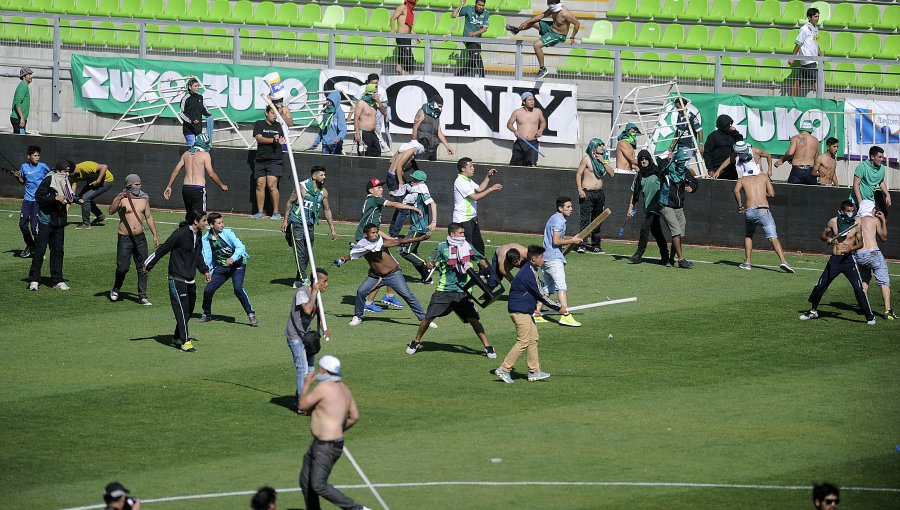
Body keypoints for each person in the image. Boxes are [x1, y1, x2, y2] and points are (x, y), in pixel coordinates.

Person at [405, 223, 498, 358]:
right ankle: (415, 342)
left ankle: (488, 347)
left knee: (474, 320)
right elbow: (431, 260)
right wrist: (429, 263)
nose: (463, 235)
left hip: (463, 291)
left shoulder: (467, 246)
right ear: (452, 234)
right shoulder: (442, 247)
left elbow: (480, 259)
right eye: (461, 233)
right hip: (444, 290)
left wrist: (489, 272)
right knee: (428, 318)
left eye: (463, 233)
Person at [298, 355, 372, 510]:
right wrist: (339, 429)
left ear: (324, 370)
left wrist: (306, 385)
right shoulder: (345, 389)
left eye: (319, 368)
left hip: (326, 446)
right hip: (324, 444)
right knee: (305, 481)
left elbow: (303, 405)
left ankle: (356, 509)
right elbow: (355, 416)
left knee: (317, 485)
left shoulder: (324, 388)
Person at [336, 223, 434, 327]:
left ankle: (424, 319)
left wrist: (421, 238)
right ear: (366, 234)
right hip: (375, 276)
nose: (375, 234)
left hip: (393, 274)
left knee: (407, 295)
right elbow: (354, 254)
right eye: (372, 233)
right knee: (361, 291)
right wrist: (343, 259)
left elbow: (400, 241)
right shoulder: (362, 244)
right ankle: (358, 316)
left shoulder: (382, 243)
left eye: (376, 232)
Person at [142, 210, 212, 353]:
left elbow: (197, 254)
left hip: (190, 278)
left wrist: (205, 270)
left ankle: (176, 337)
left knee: (190, 309)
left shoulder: (198, 234)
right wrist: (148, 265)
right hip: (176, 277)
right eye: (204, 221)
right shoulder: (180, 234)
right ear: (195, 221)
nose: (206, 223)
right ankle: (186, 342)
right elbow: (163, 249)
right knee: (181, 310)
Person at [799, 200, 875, 325]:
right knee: (820, 285)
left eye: (852, 211)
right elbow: (823, 234)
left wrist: (852, 248)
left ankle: (869, 316)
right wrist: (828, 239)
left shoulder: (856, 224)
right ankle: (813, 311)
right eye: (848, 211)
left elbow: (861, 243)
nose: (850, 213)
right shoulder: (833, 221)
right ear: (841, 211)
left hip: (849, 260)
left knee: (858, 288)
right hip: (835, 260)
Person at [494, 245, 561, 384]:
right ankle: (504, 369)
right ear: (533, 258)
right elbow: (541, 294)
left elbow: (530, 293)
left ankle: (534, 371)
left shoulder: (530, 270)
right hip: (520, 312)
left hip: (525, 310)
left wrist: (533, 308)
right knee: (523, 341)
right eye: (541, 257)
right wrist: (558, 307)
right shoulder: (528, 273)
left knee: (533, 339)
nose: (543, 259)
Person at [353, 178, 421, 312]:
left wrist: (390, 239)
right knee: (385, 271)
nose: (381, 189)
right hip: (367, 241)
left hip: (369, 239)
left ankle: (386, 297)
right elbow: (394, 204)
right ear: (371, 190)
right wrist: (412, 207)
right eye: (378, 187)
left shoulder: (371, 203)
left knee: (386, 269)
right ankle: (370, 302)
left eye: (381, 187)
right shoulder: (374, 199)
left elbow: (376, 230)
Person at [732, 142, 795, 273]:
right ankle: (783, 261)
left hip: (749, 211)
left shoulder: (743, 179)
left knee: (749, 234)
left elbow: (736, 191)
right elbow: (772, 194)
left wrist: (740, 206)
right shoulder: (763, 177)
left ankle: (748, 262)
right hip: (763, 211)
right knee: (773, 237)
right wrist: (762, 194)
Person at [27, 159, 80, 291]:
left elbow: (68, 196)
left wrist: (78, 199)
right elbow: (39, 197)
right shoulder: (48, 180)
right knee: (40, 250)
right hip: (46, 221)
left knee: (58, 251)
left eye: (68, 172)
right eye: (64, 171)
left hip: (60, 222)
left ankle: (57, 280)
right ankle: (34, 279)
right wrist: (54, 198)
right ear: (57, 170)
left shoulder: (65, 181)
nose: (66, 174)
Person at [282, 166, 338, 288]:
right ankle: (305, 278)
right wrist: (285, 220)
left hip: (310, 225)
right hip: (297, 223)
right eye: (322, 175)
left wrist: (332, 229)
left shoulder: (323, 192)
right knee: (300, 252)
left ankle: (298, 279)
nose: (324, 177)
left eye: (324, 175)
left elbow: (327, 210)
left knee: (308, 254)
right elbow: (290, 202)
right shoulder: (302, 187)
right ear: (314, 176)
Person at [199, 213, 257, 326]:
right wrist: (209, 273)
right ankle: (207, 314)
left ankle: (251, 313)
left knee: (238, 289)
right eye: (219, 223)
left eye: (222, 222)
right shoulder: (206, 239)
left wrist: (233, 258)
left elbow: (241, 247)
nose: (222, 225)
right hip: (222, 268)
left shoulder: (228, 233)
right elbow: (207, 258)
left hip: (237, 265)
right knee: (208, 290)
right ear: (211, 225)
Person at [109, 173, 159, 306]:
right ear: (129, 185)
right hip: (125, 238)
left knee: (143, 267)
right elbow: (111, 211)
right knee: (122, 268)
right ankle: (116, 288)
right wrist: (119, 198)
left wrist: (155, 235)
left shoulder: (144, 198)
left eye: (139, 184)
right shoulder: (122, 197)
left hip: (140, 238)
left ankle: (142, 295)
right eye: (136, 184)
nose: (139, 186)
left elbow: (149, 217)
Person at [533, 196, 582, 326]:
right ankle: (565, 315)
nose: (571, 209)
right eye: (568, 207)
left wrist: (569, 241)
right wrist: (572, 241)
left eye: (571, 206)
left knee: (548, 288)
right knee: (561, 286)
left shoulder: (553, 218)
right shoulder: (559, 221)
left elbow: (554, 240)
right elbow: (555, 241)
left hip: (546, 258)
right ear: (560, 208)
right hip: (554, 259)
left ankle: (536, 312)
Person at [286, 268, 329, 413]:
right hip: (296, 337)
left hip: (308, 338)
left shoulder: (316, 295)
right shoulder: (302, 293)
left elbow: (319, 314)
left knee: (310, 372)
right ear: (316, 282)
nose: (327, 284)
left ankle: (299, 399)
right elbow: (308, 310)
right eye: (325, 281)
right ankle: (301, 405)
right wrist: (314, 292)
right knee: (303, 371)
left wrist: (324, 328)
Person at [163, 134, 229, 222]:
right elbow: (211, 174)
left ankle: (188, 235)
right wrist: (221, 185)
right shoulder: (205, 155)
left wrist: (169, 186)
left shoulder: (186, 154)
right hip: (198, 189)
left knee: (190, 217)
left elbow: (176, 170)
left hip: (186, 188)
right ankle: (197, 236)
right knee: (201, 219)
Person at [507, 0, 580, 79]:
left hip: (558, 35)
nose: (547, 4)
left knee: (537, 45)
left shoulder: (565, 14)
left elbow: (577, 23)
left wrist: (572, 36)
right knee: (533, 21)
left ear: (554, 4)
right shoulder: (553, 9)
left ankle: (543, 69)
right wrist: (528, 21)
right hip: (551, 28)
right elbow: (541, 16)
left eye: (549, 3)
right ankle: (517, 29)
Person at [854, 200, 895, 319]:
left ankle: (863, 307)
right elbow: (884, 237)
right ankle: (888, 310)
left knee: (864, 279)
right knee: (884, 282)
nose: (875, 210)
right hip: (873, 253)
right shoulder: (874, 220)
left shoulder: (854, 220)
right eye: (873, 208)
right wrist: (883, 221)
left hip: (859, 255)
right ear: (869, 208)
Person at [395, 170, 438, 283]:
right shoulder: (416, 190)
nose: (412, 181)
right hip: (415, 226)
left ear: (421, 182)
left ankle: (428, 266)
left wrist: (433, 221)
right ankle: (426, 278)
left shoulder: (422, 191)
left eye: (415, 179)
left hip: (419, 227)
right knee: (412, 252)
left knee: (404, 250)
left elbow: (433, 204)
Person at [627, 150, 669, 265]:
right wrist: (631, 207)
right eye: (641, 159)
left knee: (645, 228)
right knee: (657, 232)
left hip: (657, 207)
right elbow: (635, 192)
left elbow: (667, 186)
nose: (643, 161)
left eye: (645, 159)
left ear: (649, 159)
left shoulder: (657, 171)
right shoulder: (639, 175)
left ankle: (638, 254)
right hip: (648, 207)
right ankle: (665, 256)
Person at [453, 157, 502, 255]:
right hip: (463, 220)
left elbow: (479, 188)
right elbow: (475, 197)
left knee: (479, 247)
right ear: (463, 169)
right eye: (470, 166)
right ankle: (464, 269)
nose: (473, 168)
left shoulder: (467, 180)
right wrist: (491, 189)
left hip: (472, 219)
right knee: (466, 249)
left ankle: (483, 269)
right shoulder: (460, 181)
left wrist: (488, 177)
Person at [659, 148, 698, 268]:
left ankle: (670, 259)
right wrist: (667, 160)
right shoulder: (667, 169)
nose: (686, 162)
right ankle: (681, 259)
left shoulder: (685, 172)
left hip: (679, 207)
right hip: (666, 205)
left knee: (679, 234)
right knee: (676, 232)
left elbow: (694, 182)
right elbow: (660, 170)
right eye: (684, 160)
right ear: (679, 160)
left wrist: (692, 187)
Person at [575, 138, 614, 253]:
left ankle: (596, 244)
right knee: (585, 219)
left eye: (602, 145)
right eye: (599, 145)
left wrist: (603, 161)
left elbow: (611, 173)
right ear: (594, 147)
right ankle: (581, 244)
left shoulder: (604, 160)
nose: (602, 147)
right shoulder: (586, 159)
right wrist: (579, 189)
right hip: (587, 193)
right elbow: (578, 174)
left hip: (599, 193)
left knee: (597, 219)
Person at [385, 137, 429, 237]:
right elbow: (399, 166)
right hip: (395, 179)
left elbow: (391, 161)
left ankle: (392, 232)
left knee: (400, 206)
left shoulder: (404, 147)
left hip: (390, 177)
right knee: (404, 209)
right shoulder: (411, 149)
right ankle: (393, 235)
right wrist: (401, 182)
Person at [14, 144, 50, 258]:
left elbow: (50, 177)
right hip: (27, 200)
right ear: (28, 156)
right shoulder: (24, 167)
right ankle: (31, 245)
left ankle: (40, 250)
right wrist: (17, 176)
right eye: (35, 155)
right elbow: (22, 181)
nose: (37, 157)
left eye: (38, 155)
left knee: (35, 228)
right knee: (22, 225)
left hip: (38, 201)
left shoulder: (43, 166)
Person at [252, 105, 285, 219]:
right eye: (272, 113)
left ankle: (276, 213)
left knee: (272, 186)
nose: (274, 115)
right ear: (266, 113)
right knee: (260, 185)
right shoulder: (259, 124)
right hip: (261, 160)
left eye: (276, 113)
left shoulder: (280, 126)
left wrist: (281, 141)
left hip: (274, 160)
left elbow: (283, 138)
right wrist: (273, 140)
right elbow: (259, 138)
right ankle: (260, 212)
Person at [69, 160, 114, 229]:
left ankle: (86, 224)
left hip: (106, 181)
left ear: (72, 169)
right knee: (81, 198)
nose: (65, 174)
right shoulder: (72, 176)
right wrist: (72, 198)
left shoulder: (84, 167)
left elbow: (104, 167)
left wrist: (98, 181)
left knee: (85, 198)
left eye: (66, 171)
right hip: (93, 181)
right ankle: (100, 216)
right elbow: (73, 190)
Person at [789, 8, 823, 97]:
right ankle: (821, 101)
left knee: (799, 81)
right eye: (815, 16)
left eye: (818, 16)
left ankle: (792, 98)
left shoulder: (815, 28)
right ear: (809, 17)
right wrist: (793, 57)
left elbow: (815, 42)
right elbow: (798, 43)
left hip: (812, 59)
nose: (817, 18)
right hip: (809, 59)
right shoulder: (805, 29)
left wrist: (820, 53)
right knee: (817, 82)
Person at [506, 92, 546, 167]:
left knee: (531, 165)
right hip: (520, 143)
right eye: (529, 100)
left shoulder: (538, 111)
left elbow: (543, 122)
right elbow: (509, 124)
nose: (532, 102)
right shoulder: (517, 112)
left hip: (533, 143)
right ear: (524, 102)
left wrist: (540, 130)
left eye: (533, 100)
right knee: (515, 167)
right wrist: (515, 130)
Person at [775, 119, 819, 185]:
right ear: (811, 130)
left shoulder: (796, 138)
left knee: (793, 193)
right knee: (810, 193)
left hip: (797, 170)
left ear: (802, 129)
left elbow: (790, 153)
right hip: (810, 170)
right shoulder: (815, 140)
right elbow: (816, 158)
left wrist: (782, 160)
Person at [851, 145, 891, 215]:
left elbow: (881, 181)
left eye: (882, 157)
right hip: (857, 202)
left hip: (870, 202)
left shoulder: (882, 169)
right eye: (880, 157)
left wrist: (887, 194)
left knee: (869, 224)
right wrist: (860, 201)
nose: (882, 159)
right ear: (872, 157)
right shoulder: (862, 167)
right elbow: (856, 185)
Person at [411, 95, 453, 161]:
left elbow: (439, 132)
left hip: (433, 149)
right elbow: (415, 128)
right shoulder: (422, 112)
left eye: (441, 107)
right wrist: (414, 143)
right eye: (439, 106)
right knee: (421, 169)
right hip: (422, 148)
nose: (440, 109)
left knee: (432, 169)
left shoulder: (436, 115)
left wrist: (447, 146)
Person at [453, 0, 488, 77]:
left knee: (473, 62)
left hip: (477, 40)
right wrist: (461, 4)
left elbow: (485, 29)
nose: (481, 7)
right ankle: (483, 78)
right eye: (479, 5)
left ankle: (458, 76)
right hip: (468, 38)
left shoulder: (486, 13)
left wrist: (474, 33)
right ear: (475, 4)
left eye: (482, 5)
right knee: (476, 56)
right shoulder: (469, 9)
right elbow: (454, 14)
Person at [704, 114, 744, 179]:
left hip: (731, 167)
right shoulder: (713, 136)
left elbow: (740, 142)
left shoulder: (732, 134)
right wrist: (710, 169)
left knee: (733, 187)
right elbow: (707, 153)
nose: (729, 126)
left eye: (730, 124)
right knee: (719, 188)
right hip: (717, 169)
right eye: (727, 125)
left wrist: (735, 132)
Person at [308, 90, 346, 155]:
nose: (328, 103)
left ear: (335, 101)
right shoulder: (326, 113)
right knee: (325, 163)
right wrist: (317, 142)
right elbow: (322, 128)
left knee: (334, 163)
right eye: (327, 100)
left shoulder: (340, 113)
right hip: (325, 144)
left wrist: (338, 138)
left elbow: (343, 129)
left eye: (330, 101)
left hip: (335, 144)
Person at [178, 78, 210, 147]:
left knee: (198, 150)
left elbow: (204, 109)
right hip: (189, 130)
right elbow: (181, 113)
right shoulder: (185, 98)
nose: (197, 88)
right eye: (195, 86)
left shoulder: (200, 97)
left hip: (198, 130)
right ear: (190, 87)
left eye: (198, 86)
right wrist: (191, 121)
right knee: (193, 150)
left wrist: (209, 115)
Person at [391, 0, 418, 75]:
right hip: (401, 36)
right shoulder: (402, 7)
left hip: (407, 37)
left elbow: (408, 27)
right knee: (408, 57)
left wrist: (416, 36)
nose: (415, 2)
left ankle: (400, 69)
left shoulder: (410, 11)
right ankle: (402, 72)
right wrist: (393, 30)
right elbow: (392, 18)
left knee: (405, 56)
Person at [352, 87, 380, 157]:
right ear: (370, 93)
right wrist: (357, 133)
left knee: (377, 152)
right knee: (365, 155)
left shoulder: (375, 104)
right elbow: (356, 118)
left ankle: (373, 168)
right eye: (375, 93)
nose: (376, 95)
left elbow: (384, 112)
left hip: (372, 133)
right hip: (363, 133)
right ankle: (362, 168)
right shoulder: (361, 103)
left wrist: (378, 101)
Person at [10, 66, 32, 134]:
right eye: (29, 74)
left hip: (18, 118)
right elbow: (17, 102)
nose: (31, 76)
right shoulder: (23, 86)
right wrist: (22, 118)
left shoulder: (23, 85)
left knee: (18, 141)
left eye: (31, 74)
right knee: (20, 142)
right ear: (23, 77)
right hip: (18, 119)